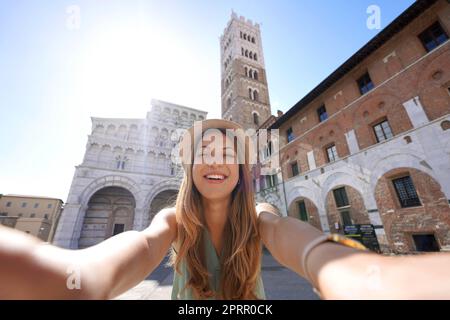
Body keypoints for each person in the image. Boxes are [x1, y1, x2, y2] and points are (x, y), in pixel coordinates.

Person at [0, 119, 449, 300]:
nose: (215, 160)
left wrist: (357, 275)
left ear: (240, 167)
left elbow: (299, 243)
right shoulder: (173, 219)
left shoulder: (260, 213)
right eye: (204, 151)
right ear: (190, 166)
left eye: (226, 153)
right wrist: (78, 276)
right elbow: (139, 246)